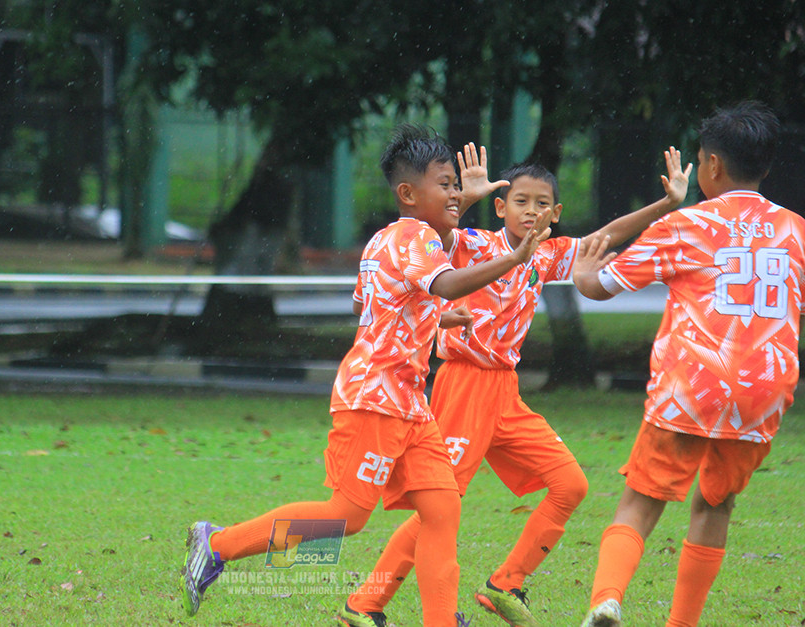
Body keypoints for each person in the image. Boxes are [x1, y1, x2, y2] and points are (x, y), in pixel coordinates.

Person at [180, 124, 553, 627]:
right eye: (445, 185)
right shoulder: (412, 237)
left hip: (409, 405)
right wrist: (512, 259)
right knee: (345, 518)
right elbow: (447, 282)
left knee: (442, 510)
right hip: (375, 399)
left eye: (453, 185)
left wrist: (431, 317)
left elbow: (371, 304)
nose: (455, 193)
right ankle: (218, 545)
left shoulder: (389, 237)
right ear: (408, 193)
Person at [338, 144, 691, 627]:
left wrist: (667, 204)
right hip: (463, 386)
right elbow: (436, 236)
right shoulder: (471, 244)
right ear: (501, 208)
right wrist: (468, 197)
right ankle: (365, 602)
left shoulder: (544, 256)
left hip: (506, 392)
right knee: (438, 507)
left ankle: (505, 585)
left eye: (542, 203)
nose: (532, 211)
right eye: (520, 201)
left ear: (556, 212)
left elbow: (602, 238)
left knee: (571, 484)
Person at [572, 101, 805, 627]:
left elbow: (602, 285)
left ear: (713, 166)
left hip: (692, 386)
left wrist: (586, 270)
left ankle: (606, 600)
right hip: (762, 390)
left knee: (641, 502)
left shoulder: (688, 224)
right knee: (715, 505)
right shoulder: (796, 230)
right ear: (764, 167)